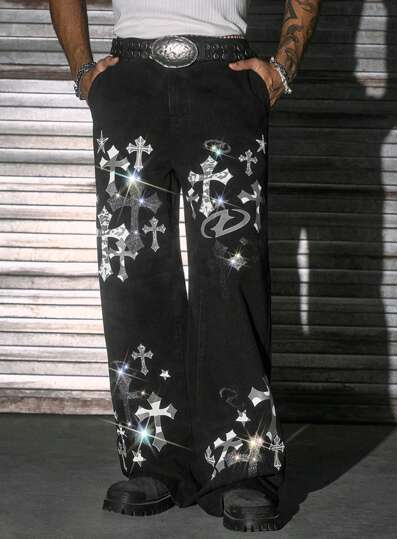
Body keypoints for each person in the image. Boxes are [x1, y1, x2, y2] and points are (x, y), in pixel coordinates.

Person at [49, 0, 321, 532]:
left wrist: (283, 67)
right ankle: (155, 459)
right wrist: (83, 71)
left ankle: (242, 463)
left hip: (225, 78)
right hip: (129, 82)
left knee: (232, 271)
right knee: (132, 270)